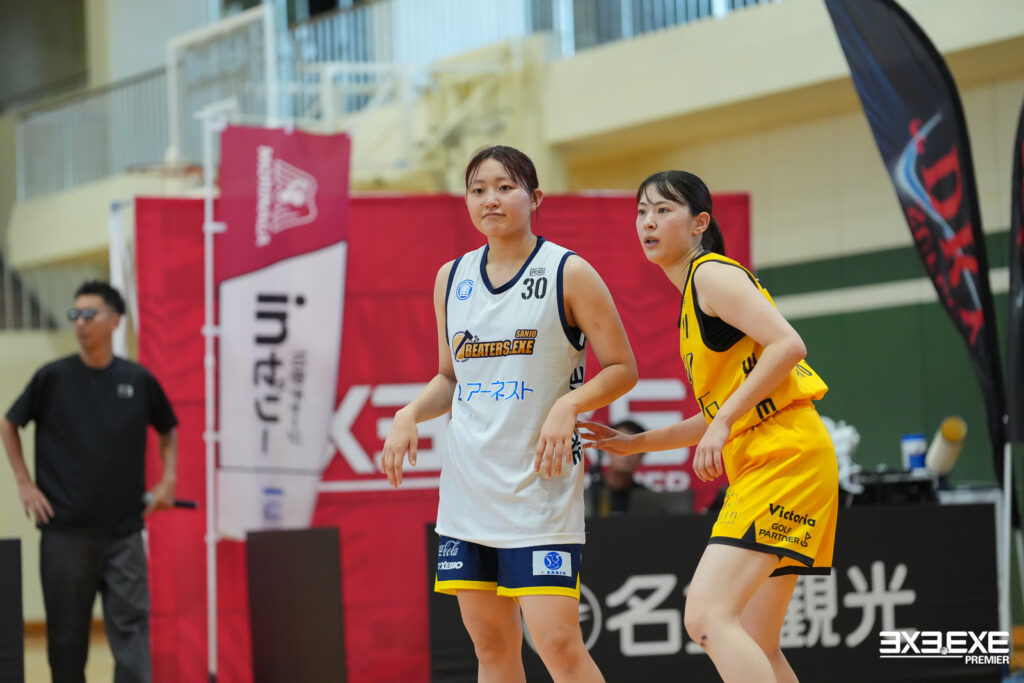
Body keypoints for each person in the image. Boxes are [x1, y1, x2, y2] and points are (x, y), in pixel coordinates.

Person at [381, 145, 638, 683]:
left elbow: (622, 368)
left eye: (504, 187)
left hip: (538, 490)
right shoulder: (450, 278)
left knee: (558, 646)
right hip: (468, 493)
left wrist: (568, 404)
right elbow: (450, 377)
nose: (490, 200)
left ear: (535, 197)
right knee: (491, 646)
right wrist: (409, 413)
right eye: (478, 190)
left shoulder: (569, 271)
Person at [580, 170, 838, 683]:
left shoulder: (710, 275)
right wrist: (636, 444)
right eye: (642, 211)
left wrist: (722, 423)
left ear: (700, 223)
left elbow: (789, 346)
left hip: (783, 457)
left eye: (663, 210)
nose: (648, 222)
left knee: (706, 617)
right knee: (757, 640)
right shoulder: (694, 296)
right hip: (780, 455)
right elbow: (723, 408)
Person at [0, 281, 178, 683]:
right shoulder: (52, 377)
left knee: (132, 634)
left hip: (124, 534)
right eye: (74, 314)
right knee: (66, 641)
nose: (79, 323)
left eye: (88, 314)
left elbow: (168, 430)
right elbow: (8, 424)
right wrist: (25, 484)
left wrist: (168, 480)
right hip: (64, 533)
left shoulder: (138, 380)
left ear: (115, 321)